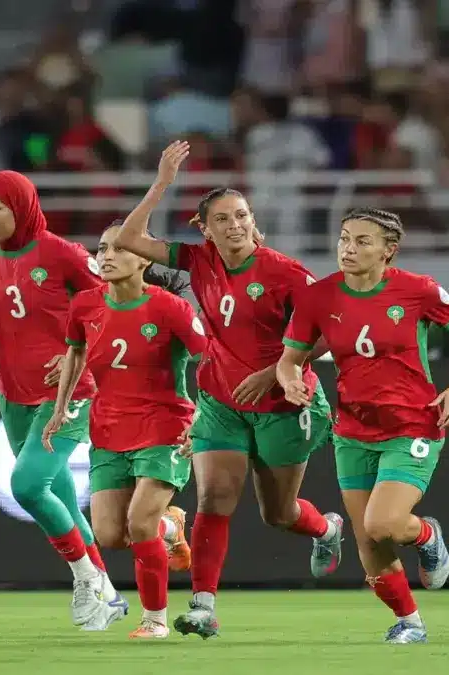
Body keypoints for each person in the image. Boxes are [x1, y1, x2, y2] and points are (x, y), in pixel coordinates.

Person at [0, 170, 180, 631]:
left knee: (26, 485)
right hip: (12, 394)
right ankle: (108, 590)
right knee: (59, 497)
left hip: (69, 392)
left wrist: (80, 355)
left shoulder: (61, 254)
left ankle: (86, 578)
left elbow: (112, 305)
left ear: (20, 207)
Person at [115, 141, 343, 639]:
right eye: (221, 219)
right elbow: (130, 238)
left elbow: (331, 331)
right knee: (214, 498)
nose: (234, 225)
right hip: (221, 401)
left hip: (284, 403)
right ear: (205, 228)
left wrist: (280, 368)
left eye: (241, 215)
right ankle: (203, 606)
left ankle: (326, 529)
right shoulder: (198, 261)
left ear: (253, 219)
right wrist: (163, 183)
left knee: (278, 513)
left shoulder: (286, 273)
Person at [277, 208, 449, 644]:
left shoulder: (417, 289)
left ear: (388, 251)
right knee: (368, 541)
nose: (348, 249)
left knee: (384, 524)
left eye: (362, 241)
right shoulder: (319, 297)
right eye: (344, 238)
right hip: (352, 430)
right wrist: (290, 380)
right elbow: (289, 359)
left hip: (412, 424)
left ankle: (426, 534)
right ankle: (410, 622)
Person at [44, 221, 205, 640]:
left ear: (144, 259)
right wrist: (60, 409)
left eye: (118, 248)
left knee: (139, 523)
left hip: (165, 427)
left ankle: (155, 620)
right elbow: (75, 353)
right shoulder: (85, 305)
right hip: (109, 429)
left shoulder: (171, 308)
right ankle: (170, 527)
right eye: (102, 248)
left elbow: (211, 360)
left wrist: (204, 417)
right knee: (110, 535)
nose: (107, 256)